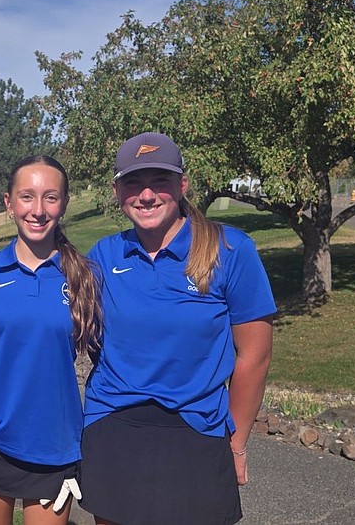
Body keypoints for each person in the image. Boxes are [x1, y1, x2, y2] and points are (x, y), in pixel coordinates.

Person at [78, 132, 276, 525]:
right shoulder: (103, 255)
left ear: (182, 185)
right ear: (118, 191)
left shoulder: (230, 250)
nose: (146, 195)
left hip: (195, 428)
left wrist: (236, 444)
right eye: (133, 182)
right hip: (114, 424)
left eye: (160, 181)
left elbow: (255, 355)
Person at [0, 156, 101, 525]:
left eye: (50, 197)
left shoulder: (86, 277)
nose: (38, 210)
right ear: (9, 203)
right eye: (27, 197)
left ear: (65, 203)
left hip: (54, 440)